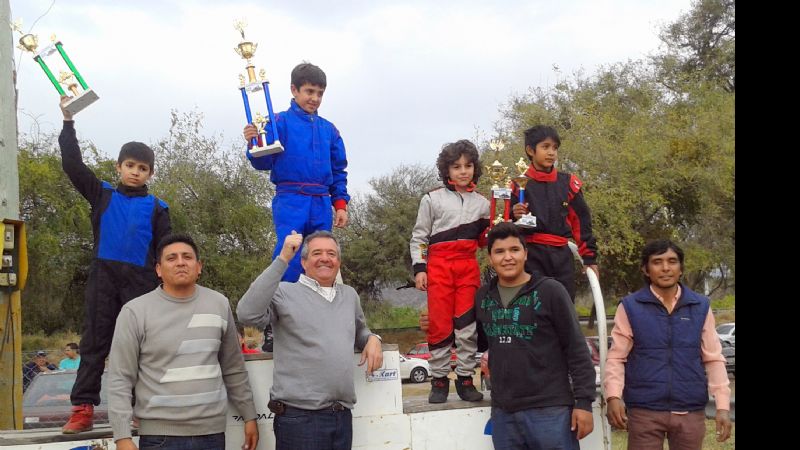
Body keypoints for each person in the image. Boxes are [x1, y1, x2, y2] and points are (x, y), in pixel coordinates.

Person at [420, 222, 596, 448]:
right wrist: (435, 324)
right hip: (504, 414)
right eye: (499, 251)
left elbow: (576, 348)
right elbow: (479, 341)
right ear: (490, 258)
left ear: (525, 253)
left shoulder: (550, 291)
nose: (508, 257)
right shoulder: (483, 296)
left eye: (514, 250)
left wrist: (584, 403)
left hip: (550, 410)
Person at [58, 97, 172, 434]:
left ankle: (142, 409)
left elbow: (166, 249)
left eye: (143, 168)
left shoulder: (158, 207)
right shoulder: (102, 194)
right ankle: (82, 408)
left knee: (143, 346)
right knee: (94, 342)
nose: (136, 172)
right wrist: (68, 123)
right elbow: (72, 165)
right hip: (104, 276)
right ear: (119, 167)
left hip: (142, 282)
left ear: (150, 173)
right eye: (130, 165)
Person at [108, 233, 258, 450]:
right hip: (159, 438)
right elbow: (120, 377)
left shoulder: (218, 304)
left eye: (187, 257)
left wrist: (249, 415)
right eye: (171, 258)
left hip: (212, 436)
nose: (180, 262)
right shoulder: (135, 312)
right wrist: (122, 436)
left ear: (199, 266)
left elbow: (233, 367)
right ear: (158, 269)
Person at [237, 230, 383, 450]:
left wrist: (373, 338)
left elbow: (360, 331)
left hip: (341, 416)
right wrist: (283, 258)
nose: (325, 258)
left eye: (331, 254)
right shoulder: (283, 292)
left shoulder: (349, 295)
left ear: (338, 262)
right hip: (299, 420)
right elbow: (247, 313)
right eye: (317, 253)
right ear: (303, 262)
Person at [604, 239, 732, 448]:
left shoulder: (700, 306)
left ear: (681, 268)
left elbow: (714, 359)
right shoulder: (630, 307)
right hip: (644, 410)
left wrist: (723, 406)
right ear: (645, 269)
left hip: (689, 409)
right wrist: (613, 396)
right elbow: (617, 357)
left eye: (672, 261)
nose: (665, 268)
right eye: (657, 262)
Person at [243, 62, 349, 283]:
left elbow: (338, 169)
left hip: (321, 200)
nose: (315, 98)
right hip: (290, 199)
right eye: (309, 91)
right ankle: (283, 298)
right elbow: (263, 162)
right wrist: (253, 142)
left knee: (322, 252)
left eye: (320, 93)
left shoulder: (329, 130)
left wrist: (340, 204)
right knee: (290, 251)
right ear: (294, 89)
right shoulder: (278, 122)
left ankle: (321, 297)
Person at [409, 139, 489, 403]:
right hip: (439, 266)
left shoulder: (483, 203)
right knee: (439, 324)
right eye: (456, 167)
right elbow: (419, 237)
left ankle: (465, 378)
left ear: (475, 168)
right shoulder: (432, 199)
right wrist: (420, 269)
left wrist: (499, 223)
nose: (463, 171)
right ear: (447, 170)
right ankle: (439, 380)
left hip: (467, 266)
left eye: (468, 166)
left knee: (467, 326)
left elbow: (485, 241)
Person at [510, 125, 598, 301]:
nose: (551, 152)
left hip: (561, 258)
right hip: (530, 256)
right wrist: (514, 214)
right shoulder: (517, 184)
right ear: (530, 150)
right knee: (533, 307)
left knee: (563, 304)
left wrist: (590, 259)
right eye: (545, 147)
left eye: (555, 148)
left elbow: (581, 223)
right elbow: (506, 227)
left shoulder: (569, 183)